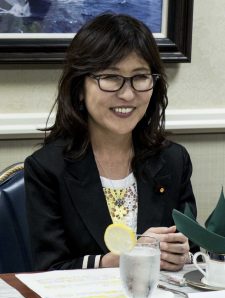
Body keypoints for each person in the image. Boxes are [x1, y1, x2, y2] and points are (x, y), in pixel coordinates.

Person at [24, 13, 198, 272]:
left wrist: (181, 255)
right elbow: (49, 269)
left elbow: (193, 252)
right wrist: (117, 260)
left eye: (140, 77)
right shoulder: (47, 169)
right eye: (111, 77)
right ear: (79, 88)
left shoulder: (174, 160)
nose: (127, 94)